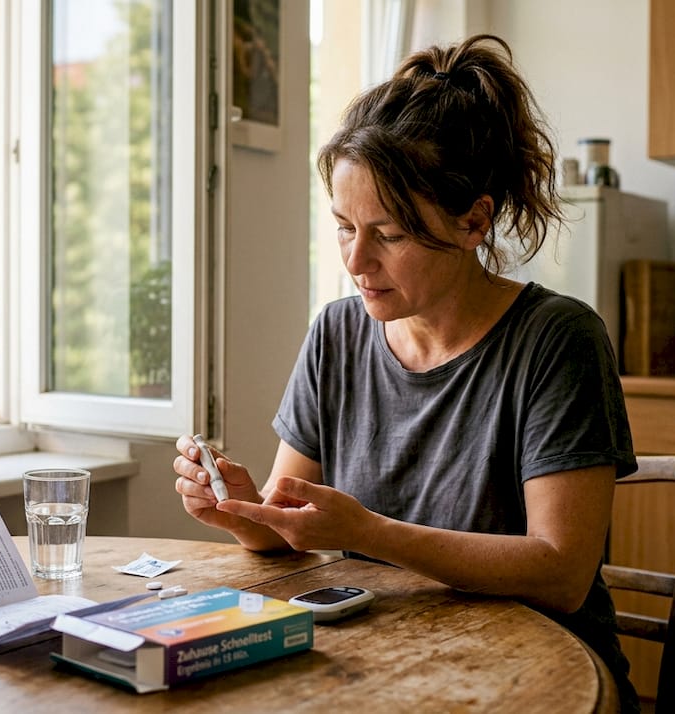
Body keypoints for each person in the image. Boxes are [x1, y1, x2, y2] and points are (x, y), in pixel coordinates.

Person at [172, 34, 641, 712]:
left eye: (388, 235)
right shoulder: (337, 333)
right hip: (392, 668)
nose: (356, 261)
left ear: (474, 221)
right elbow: (292, 527)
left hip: (543, 681)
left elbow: (563, 573)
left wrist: (367, 532)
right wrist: (241, 508)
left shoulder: (557, 340)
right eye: (342, 227)